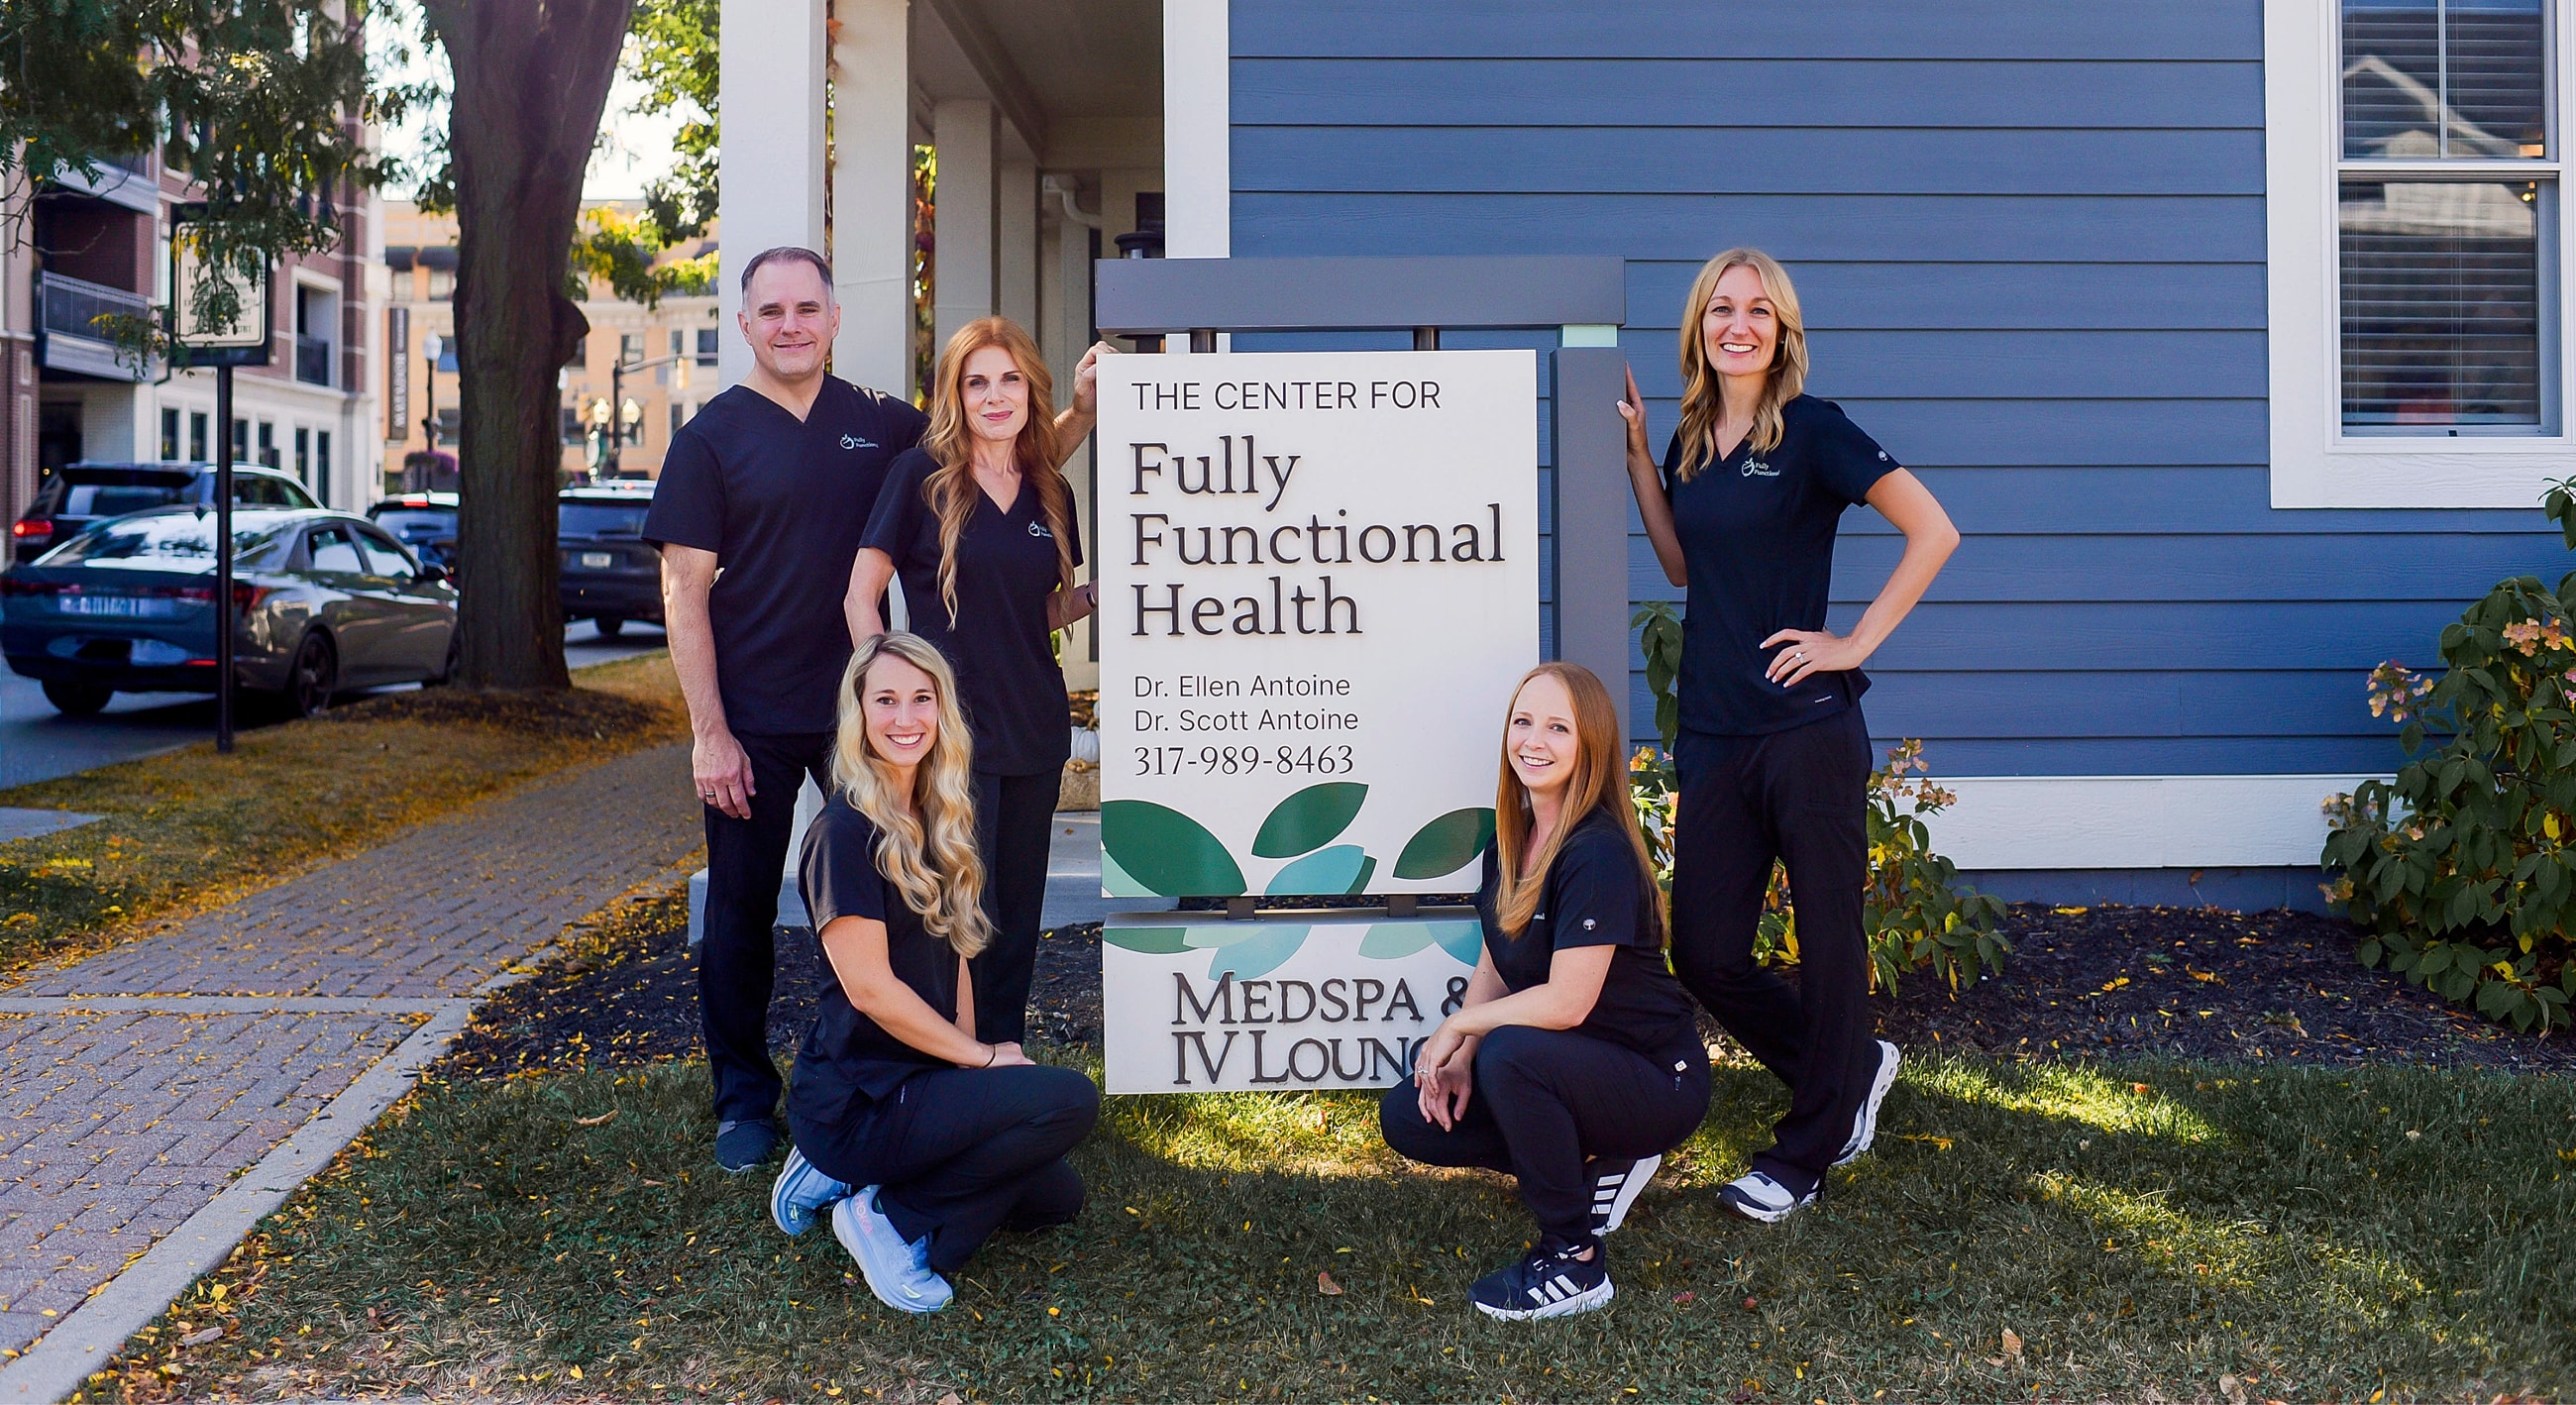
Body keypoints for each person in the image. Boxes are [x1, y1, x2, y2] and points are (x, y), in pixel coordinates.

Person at [646, 247, 1108, 1173]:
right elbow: (681, 588)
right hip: (757, 715)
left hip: (876, 715)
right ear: (745, 324)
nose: (791, 325)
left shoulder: (883, 425)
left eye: (807, 308)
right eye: (771, 310)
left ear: (833, 318)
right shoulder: (712, 439)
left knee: (909, 899)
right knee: (740, 906)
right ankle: (743, 1100)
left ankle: (912, 1073)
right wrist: (710, 734)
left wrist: (1082, 417)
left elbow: (1000, 454)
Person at [1616, 248, 1959, 1224]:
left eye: (1757, 311)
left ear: (1781, 330)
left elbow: (1932, 530)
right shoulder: (1691, 438)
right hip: (1716, 734)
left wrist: (1851, 639)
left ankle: (1807, 1144)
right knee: (1706, 951)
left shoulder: (1811, 431)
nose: (1738, 324)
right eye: (1720, 308)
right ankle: (1850, 1066)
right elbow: (1685, 567)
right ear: (1698, 326)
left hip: (1804, 731)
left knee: (1826, 937)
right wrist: (1641, 457)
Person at [764, 631, 1101, 1315]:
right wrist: (980, 1061)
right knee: (1067, 1102)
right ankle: (888, 1218)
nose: (906, 718)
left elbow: (958, 958)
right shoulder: (843, 832)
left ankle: (845, 1181)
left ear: (943, 711)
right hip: (859, 1099)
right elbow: (870, 990)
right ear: (858, 713)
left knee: (1056, 1198)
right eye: (885, 700)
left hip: (920, 1079)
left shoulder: (939, 815)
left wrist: (966, 1073)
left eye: (923, 699)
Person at [1378, 663, 1710, 1322]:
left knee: (1511, 1054)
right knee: (1412, 1115)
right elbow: (1499, 960)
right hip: (1574, 1067)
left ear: (1589, 745)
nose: (1534, 739)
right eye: (1523, 721)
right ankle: (1592, 1166)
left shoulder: (1598, 852)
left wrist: (1462, 1030)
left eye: (1558, 727)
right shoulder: (1511, 837)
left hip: (1655, 1078)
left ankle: (1575, 1259)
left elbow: (1566, 1004)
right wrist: (1458, 1059)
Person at [847, 317, 1101, 1052]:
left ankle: (1006, 1055)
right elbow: (861, 596)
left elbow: (1041, 611)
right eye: (977, 381)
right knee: (961, 913)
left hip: (1035, 728)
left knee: (1018, 916)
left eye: (1010, 380)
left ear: (1031, 389)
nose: (995, 396)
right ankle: (957, 1060)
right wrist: (885, 702)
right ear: (955, 394)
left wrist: (1096, 598)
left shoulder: (1049, 492)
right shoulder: (919, 478)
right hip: (952, 736)